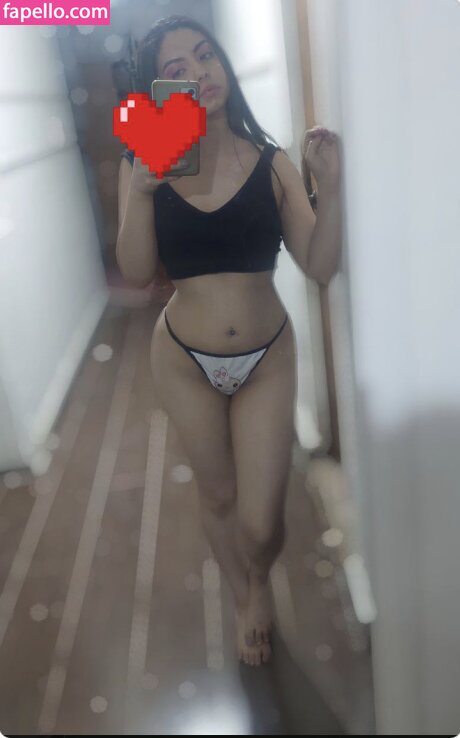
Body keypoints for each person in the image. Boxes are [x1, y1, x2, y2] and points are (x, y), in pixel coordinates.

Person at [116, 14, 340, 667]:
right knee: (217, 496)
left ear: (223, 64)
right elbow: (136, 274)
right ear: (158, 88)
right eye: (177, 69)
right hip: (184, 360)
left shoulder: (270, 161)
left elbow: (319, 266)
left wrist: (334, 186)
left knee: (261, 520)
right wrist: (140, 189)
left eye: (205, 55)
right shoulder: (143, 162)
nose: (198, 73)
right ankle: (248, 598)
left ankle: (259, 572)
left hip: (267, 358)